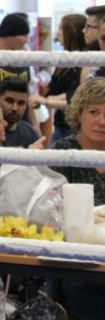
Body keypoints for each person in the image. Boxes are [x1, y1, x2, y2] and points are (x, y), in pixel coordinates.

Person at [50, 77, 105, 320]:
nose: (102, 122)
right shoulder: (63, 152)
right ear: (79, 113)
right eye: (94, 112)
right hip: (75, 262)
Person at [35, 13, 86, 143]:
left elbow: (74, 97)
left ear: (72, 31)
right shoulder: (64, 60)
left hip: (73, 126)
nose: (57, 33)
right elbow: (56, 91)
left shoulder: (85, 61)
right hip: (60, 124)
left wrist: (46, 101)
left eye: (60, 29)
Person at [0, 77, 44, 149]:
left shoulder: (29, 133)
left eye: (21, 103)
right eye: (9, 101)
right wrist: (28, 154)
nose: (15, 108)